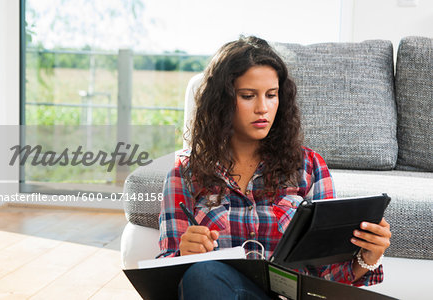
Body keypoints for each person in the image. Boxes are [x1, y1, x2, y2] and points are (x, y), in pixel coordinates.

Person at [157, 36, 391, 299]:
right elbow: (167, 270)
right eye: (248, 96)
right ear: (221, 101)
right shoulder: (185, 172)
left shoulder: (309, 167)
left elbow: (327, 275)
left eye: (271, 95)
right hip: (220, 290)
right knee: (202, 274)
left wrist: (368, 257)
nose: (263, 108)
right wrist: (183, 254)